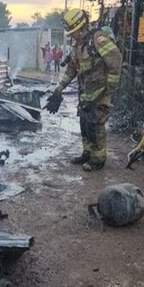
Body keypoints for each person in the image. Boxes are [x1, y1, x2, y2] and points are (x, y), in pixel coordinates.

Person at [44, 9, 122, 171]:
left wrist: (109, 91)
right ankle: (87, 153)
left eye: (74, 32)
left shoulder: (99, 40)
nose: (72, 35)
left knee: (96, 126)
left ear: (82, 27)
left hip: (100, 94)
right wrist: (60, 88)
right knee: (85, 123)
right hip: (86, 94)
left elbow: (116, 62)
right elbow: (72, 69)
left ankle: (98, 160)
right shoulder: (78, 45)